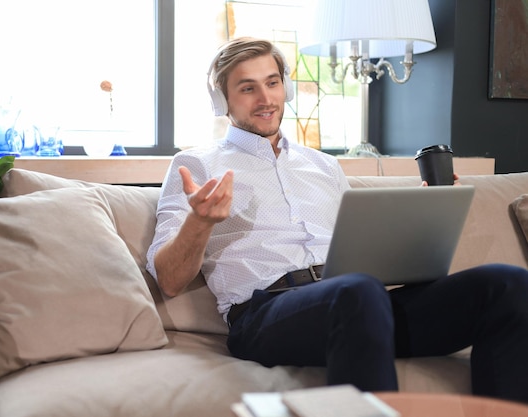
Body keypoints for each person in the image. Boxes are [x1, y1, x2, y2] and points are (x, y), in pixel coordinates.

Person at [145, 37, 528, 403]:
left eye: (273, 83)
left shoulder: (324, 166)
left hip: (361, 304)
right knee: (357, 292)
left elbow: (361, 252)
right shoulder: (195, 165)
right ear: (222, 100)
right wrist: (200, 221)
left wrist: (425, 219)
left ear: (287, 88)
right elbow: (170, 281)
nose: (265, 99)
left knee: (508, 284)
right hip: (266, 315)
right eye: (247, 88)